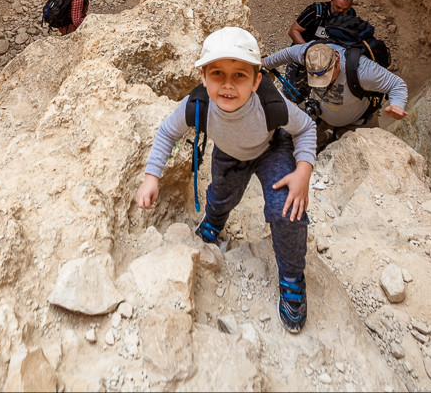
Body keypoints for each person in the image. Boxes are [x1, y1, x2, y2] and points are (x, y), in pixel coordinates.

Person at [136, 27, 317, 333]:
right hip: (230, 153)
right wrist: (151, 176)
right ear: (203, 77)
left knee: (286, 209)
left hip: (272, 149)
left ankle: (291, 278)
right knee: (221, 194)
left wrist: (303, 171)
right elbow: (167, 132)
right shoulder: (197, 106)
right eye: (217, 73)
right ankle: (213, 223)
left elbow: (306, 128)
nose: (228, 85)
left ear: (257, 80)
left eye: (240, 75)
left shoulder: (271, 106)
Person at [263, 40, 407, 149]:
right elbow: (288, 53)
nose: (322, 83)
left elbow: (397, 84)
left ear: (337, 61)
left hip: (356, 124)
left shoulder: (362, 71)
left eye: (326, 77)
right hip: (319, 115)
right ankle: (324, 144)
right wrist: (266, 63)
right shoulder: (310, 54)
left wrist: (397, 105)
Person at [288, 0, 356, 45]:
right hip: (304, 51)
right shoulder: (315, 11)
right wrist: (307, 50)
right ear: (332, 1)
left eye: (345, 9)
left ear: (351, 6)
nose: (340, 11)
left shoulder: (351, 14)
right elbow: (293, 31)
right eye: (338, 7)